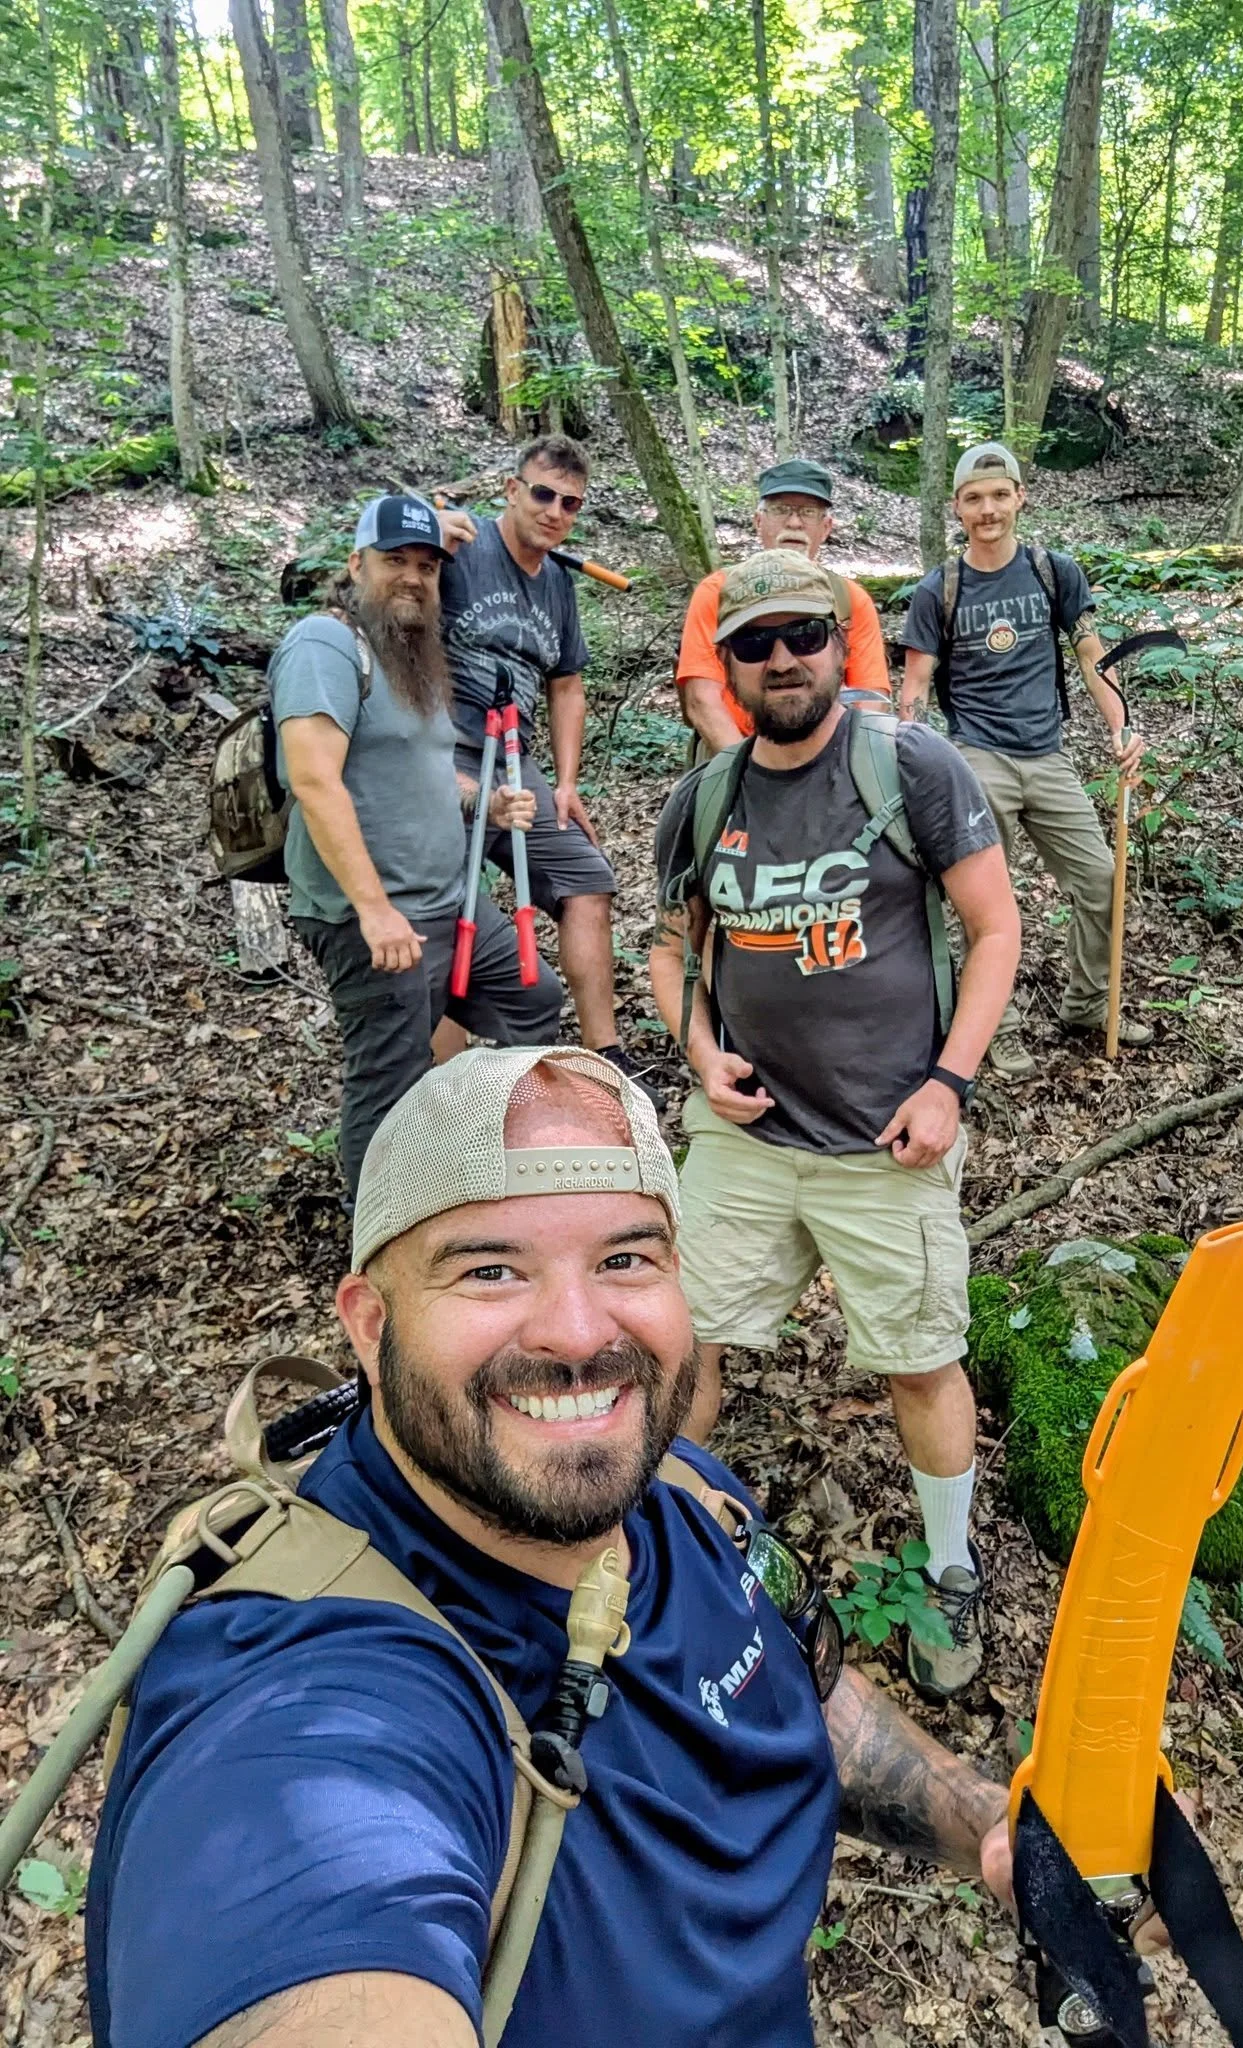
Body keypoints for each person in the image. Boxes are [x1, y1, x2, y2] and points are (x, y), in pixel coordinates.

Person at [86, 1046, 1020, 2048]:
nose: (579, 1331)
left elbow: (780, 1680)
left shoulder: (687, 1496)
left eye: (625, 1258)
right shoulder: (307, 1696)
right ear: (368, 1322)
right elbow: (304, 1880)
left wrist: (991, 1828)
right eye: (491, 1268)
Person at [651, 552, 1021, 1700]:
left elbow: (997, 930)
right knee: (681, 1338)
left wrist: (948, 1083)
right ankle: (676, 1543)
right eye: (755, 645)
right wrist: (700, 1052)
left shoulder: (909, 764)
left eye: (803, 635)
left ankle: (950, 1565)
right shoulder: (705, 798)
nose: (783, 660)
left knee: (920, 1358)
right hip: (747, 1139)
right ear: (729, 668)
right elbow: (671, 952)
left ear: (838, 642)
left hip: (885, 1137)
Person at [272, 493, 562, 1197]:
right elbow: (315, 781)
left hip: (448, 902)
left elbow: (428, 769)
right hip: (373, 915)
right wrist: (374, 912)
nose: (411, 576)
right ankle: (377, 1241)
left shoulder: (410, 655)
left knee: (532, 999)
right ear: (356, 564)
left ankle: (488, 1158)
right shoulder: (324, 644)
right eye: (394, 560)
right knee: (390, 1080)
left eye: (426, 565)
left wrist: (484, 800)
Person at [900, 442, 1153, 1082]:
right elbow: (916, 686)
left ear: (1020, 497)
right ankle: (996, 1025)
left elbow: (1094, 657)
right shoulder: (939, 590)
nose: (988, 510)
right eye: (974, 499)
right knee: (984, 902)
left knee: (1102, 882)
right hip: (975, 758)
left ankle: (1088, 1002)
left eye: (999, 495)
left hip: (1048, 756)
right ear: (956, 507)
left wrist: (1123, 726)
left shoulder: (1053, 572)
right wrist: (911, 751)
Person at [436, 437, 662, 1107]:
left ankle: (605, 1058)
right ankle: (440, 1088)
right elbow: (391, 584)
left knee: (587, 880)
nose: (556, 511)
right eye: (542, 493)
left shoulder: (558, 582)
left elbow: (567, 685)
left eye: (571, 503)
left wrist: (564, 782)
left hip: (515, 762)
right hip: (441, 753)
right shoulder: (463, 551)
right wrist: (427, 526)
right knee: (448, 906)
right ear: (511, 490)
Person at [675, 457, 890, 756]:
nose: (794, 522)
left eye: (808, 512)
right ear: (758, 521)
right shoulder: (717, 593)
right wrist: (748, 775)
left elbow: (871, 699)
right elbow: (702, 700)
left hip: (829, 757)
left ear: (826, 526)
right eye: (780, 510)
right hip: (731, 750)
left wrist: (846, 767)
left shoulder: (849, 600)